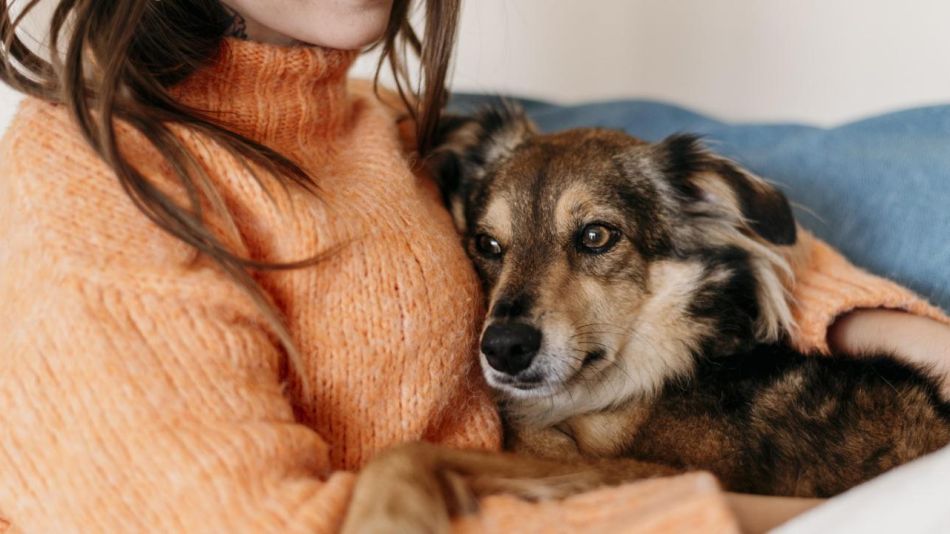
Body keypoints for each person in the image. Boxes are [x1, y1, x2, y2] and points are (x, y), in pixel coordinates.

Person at [0, 1, 947, 532]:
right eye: (491, 249)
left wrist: (889, 330)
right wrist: (718, 521)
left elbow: (659, 210)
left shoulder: (394, 132)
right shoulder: (96, 175)